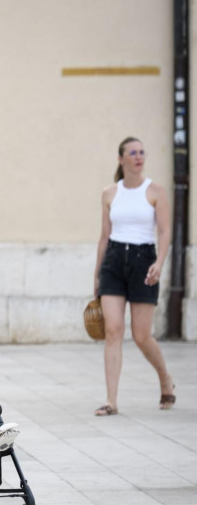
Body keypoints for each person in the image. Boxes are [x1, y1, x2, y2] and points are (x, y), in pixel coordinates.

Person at [93, 137, 175, 416]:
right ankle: (111, 401)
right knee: (113, 330)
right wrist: (97, 274)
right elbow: (104, 237)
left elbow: (164, 231)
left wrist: (160, 262)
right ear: (121, 159)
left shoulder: (155, 191)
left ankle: (165, 378)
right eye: (133, 153)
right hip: (114, 261)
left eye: (142, 152)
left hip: (144, 260)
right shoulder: (109, 193)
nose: (139, 157)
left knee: (141, 335)